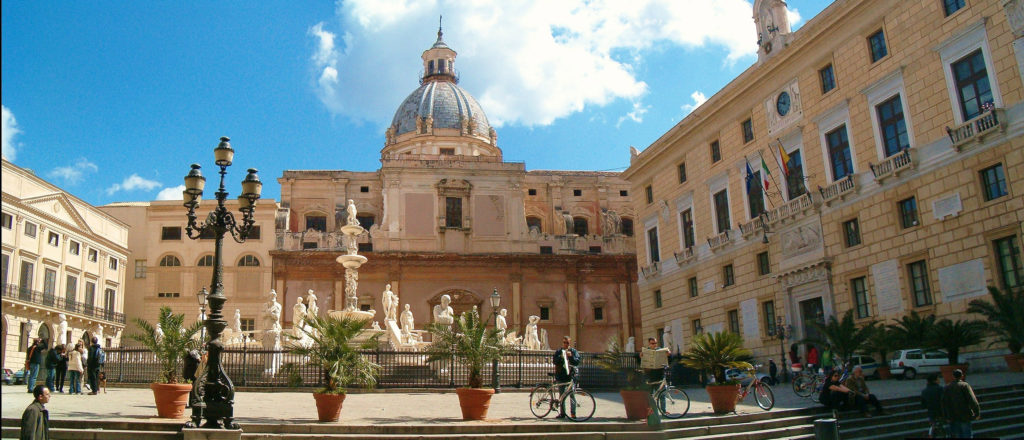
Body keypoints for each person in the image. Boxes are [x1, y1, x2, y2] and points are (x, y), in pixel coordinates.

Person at [942, 369, 980, 438]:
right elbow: (972, 400)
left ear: (953, 376)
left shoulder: (947, 387)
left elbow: (944, 403)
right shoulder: (965, 385)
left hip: (953, 415)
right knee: (967, 434)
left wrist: (946, 416)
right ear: (962, 376)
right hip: (965, 414)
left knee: (958, 434)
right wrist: (976, 412)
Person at [552, 336, 580, 419]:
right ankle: (562, 413)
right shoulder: (559, 351)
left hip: (570, 377)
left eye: (567, 343)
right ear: (562, 343)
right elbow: (554, 361)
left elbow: (577, 361)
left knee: (572, 395)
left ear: (570, 343)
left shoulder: (573, 351)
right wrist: (561, 356)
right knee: (562, 396)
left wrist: (571, 356)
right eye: (564, 342)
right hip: (561, 376)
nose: (566, 344)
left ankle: (573, 413)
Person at [920, 374, 944, 438]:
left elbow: (923, 405)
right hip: (940, 412)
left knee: (933, 426)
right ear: (935, 380)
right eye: (938, 379)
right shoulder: (940, 389)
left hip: (931, 412)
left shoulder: (924, 391)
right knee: (941, 427)